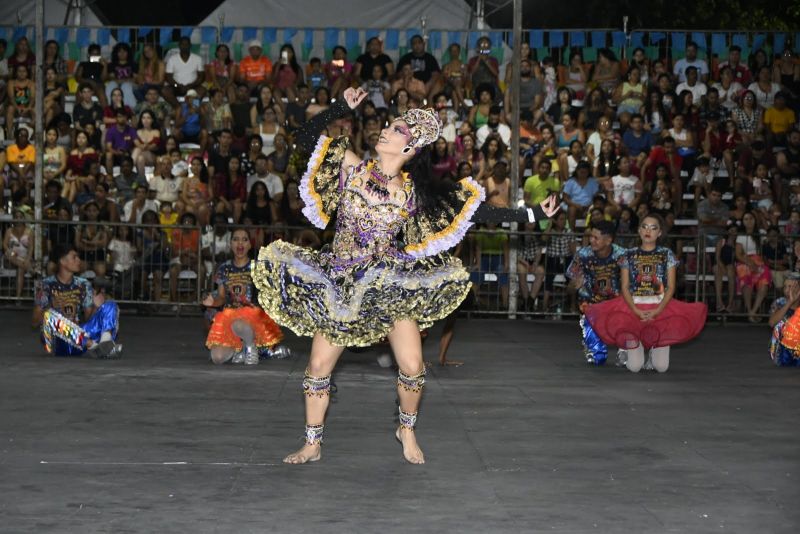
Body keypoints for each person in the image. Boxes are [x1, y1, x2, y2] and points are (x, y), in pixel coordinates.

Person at [251, 88, 558, 465]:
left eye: (396, 130)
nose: (385, 131)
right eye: (389, 125)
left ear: (410, 149)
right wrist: (339, 108)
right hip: (340, 282)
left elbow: (476, 213)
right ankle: (312, 444)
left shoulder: (414, 194)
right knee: (317, 367)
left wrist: (531, 215)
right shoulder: (352, 166)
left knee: (413, 366)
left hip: (389, 284)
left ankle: (406, 430)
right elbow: (303, 137)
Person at [586, 214, 707, 373]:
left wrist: (657, 311)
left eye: (653, 227)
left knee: (661, 367)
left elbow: (670, 287)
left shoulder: (667, 254)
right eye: (644, 226)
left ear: (660, 233)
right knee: (635, 367)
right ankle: (633, 347)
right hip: (633, 308)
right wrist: (636, 311)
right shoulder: (628, 255)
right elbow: (625, 286)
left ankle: (652, 349)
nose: (648, 230)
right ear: (639, 230)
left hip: (660, 308)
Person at [203, 228, 286, 365]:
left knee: (239, 324)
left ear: (249, 245)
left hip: (253, 317)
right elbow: (222, 298)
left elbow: (269, 295)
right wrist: (212, 302)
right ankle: (241, 348)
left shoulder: (257, 268)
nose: (240, 243)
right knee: (217, 358)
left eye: (244, 239)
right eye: (236, 239)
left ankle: (251, 347)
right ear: (230, 244)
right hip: (229, 315)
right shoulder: (224, 268)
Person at [33, 244, 122, 358]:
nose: (79, 260)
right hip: (58, 341)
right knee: (49, 316)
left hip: (80, 338)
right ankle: (95, 346)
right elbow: (34, 322)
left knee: (110, 305)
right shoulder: (46, 285)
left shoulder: (83, 284)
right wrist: (50, 307)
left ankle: (105, 343)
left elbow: (88, 319)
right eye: (74, 257)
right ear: (62, 261)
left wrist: (96, 306)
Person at [566, 220, 626, 365]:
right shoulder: (582, 255)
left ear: (608, 240)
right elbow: (570, 285)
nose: (591, 240)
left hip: (616, 303)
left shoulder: (622, 256)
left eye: (595, 238)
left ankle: (625, 349)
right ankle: (593, 347)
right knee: (597, 360)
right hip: (590, 303)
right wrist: (575, 284)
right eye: (590, 236)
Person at [767, 272, 800, 367]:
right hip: (781, 349)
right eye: (785, 287)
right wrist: (790, 302)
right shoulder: (779, 302)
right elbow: (771, 323)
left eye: (790, 287)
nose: (787, 290)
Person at [163, 37, 205, 107]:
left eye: (187, 44)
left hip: (193, 86)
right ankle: (178, 107)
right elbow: (169, 78)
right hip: (176, 86)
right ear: (179, 45)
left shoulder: (198, 59)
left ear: (190, 45)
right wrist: (178, 85)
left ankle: (193, 108)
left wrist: (190, 85)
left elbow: (201, 77)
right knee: (165, 91)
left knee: (202, 90)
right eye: (182, 44)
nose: (185, 46)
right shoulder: (172, 59)